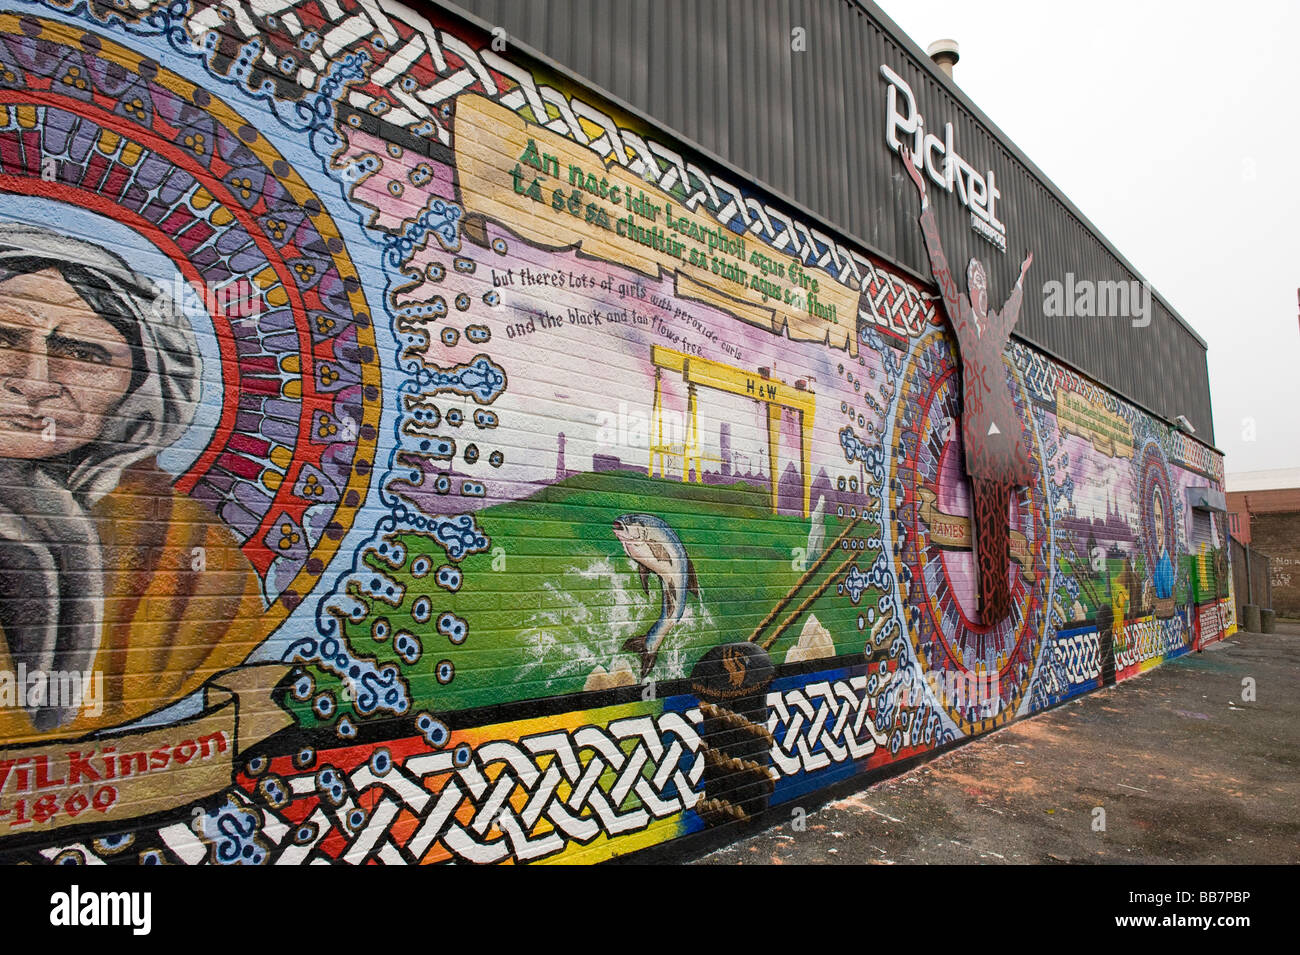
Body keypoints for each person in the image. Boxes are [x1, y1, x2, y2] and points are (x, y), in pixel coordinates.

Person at [0, 223, 264, 738]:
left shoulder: (187, 550)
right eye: (2, 337)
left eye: (82, 353)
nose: (33, 381)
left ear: (140, 387)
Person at [898, 147, 1034, 623]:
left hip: (1004, 437)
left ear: (986, 287)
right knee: (986, 521)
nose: (976, 280)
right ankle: (990, 602)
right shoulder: (960, 314)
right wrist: (924, 200)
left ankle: (997, 603)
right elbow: (938, 267)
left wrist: (1019, 280)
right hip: (980, 435)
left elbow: (1013, 312)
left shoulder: (994, 328)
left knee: (999, 519)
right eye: (973, 275)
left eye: (980, 276)